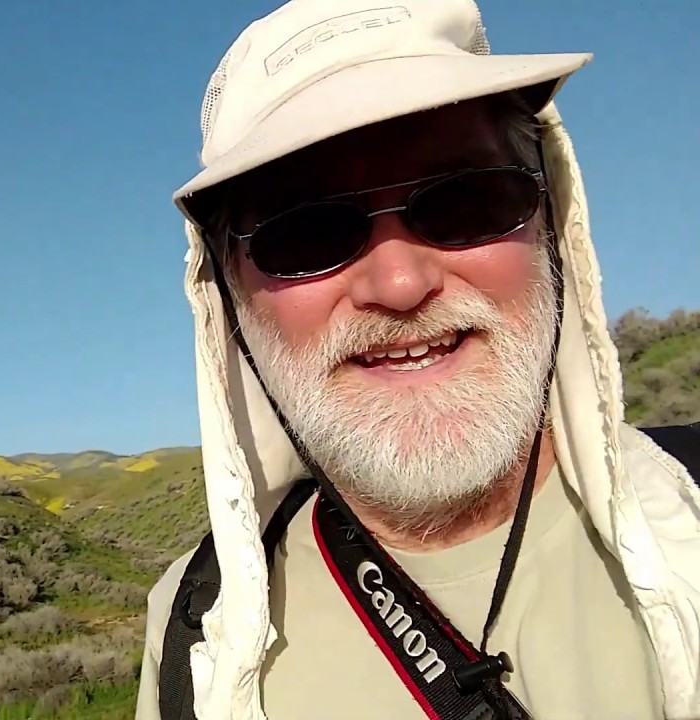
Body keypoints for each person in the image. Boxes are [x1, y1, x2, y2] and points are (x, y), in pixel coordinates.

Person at [135, 1, 700, 718]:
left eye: (468, 200)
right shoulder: (196, 635)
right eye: (306, 233)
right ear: (231, 296)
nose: (400, 284)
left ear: (553, 224)